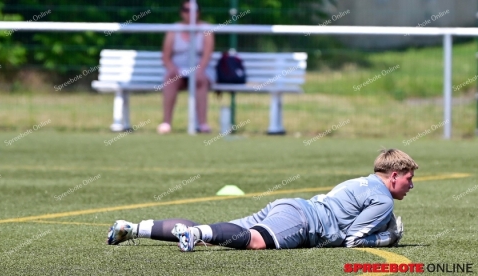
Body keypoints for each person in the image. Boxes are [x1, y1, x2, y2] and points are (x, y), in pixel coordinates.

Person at [107, 148, 416, 251]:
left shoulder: (360, 181)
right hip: (302, 221)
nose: (410, 184)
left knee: (216, 231)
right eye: (408, 177)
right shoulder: (383, 200)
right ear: (393, 175)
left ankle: (132, 228)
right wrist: (388, 238)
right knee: (254, 241)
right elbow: (352, 240)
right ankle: (195, 234)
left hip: (291, 207)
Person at [157, 0, 215, 134]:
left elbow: (207, 55)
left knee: (200, 81)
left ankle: (202, 124)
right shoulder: (174, 30)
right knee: (170, 79)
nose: (189, 14)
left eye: (193, 11)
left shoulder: (206, 29)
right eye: (186, 10)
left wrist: (200, 70)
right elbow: (165, 57)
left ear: (199, 13)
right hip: (179, 70)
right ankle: (166, 123)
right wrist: (173, 69)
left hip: (200, 69)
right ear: (181, 12)